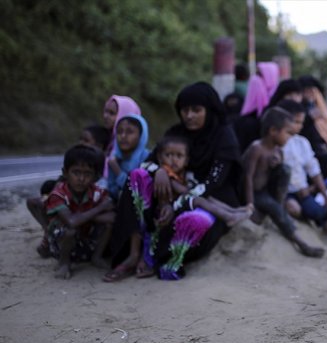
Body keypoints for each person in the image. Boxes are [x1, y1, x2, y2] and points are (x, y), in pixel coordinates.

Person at [108, 82, 244, 281]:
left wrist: (177, 205)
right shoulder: (176, 133)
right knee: (137, 176)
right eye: (184, 110)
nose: (189, 116)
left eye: (196, 110)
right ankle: (133, 254)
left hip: (209, 200)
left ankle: (161, 259)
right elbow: (148, 164)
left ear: (209, 110)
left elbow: (213, 182)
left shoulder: (223, 136)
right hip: (170, 196)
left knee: (194, 222)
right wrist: (161, 170)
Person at [242, 107, 324, 258]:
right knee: (273, 208)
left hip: (267, 192)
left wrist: (277, 166)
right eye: (288, 133)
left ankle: (279, 206)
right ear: (273, 131)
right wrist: (250, 204)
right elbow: (247, 177)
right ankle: (301, 243)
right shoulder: (257, 149)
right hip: (254, 194)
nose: (290, 137)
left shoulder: (277, 151)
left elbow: (278, 177)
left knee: (285, 169)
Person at [45, 145, 115, 279]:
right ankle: (64, 263)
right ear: (65, 173)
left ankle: (96, 257)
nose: (81, 179)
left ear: (95, 177)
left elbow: (113, 217)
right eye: (76, 172)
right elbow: (71, 222)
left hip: (84, 240)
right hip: (59, 244)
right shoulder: (58, 195)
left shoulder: (96, 192)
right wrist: (99, 209)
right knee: (70, 229)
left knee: (108, 224)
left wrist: (83, 217)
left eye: (87, 174)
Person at [276, 99, 327, 229]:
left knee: (320, 213)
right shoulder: (277, 144)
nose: (300, 126)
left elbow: (313, 169)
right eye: (296, 122)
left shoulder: (302, 142)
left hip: (303, 192)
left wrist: (324, 193)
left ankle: (317, 220)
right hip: (284, 194)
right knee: (294, 209)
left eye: (301, 122)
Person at [106, 114, 151, 201]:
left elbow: (137, 192)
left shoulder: (148, 158)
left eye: (130, 132)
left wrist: (118, 171)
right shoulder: (115, 158)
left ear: (141, 135)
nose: (123, 136)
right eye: (119, 132)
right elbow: (112, 191)